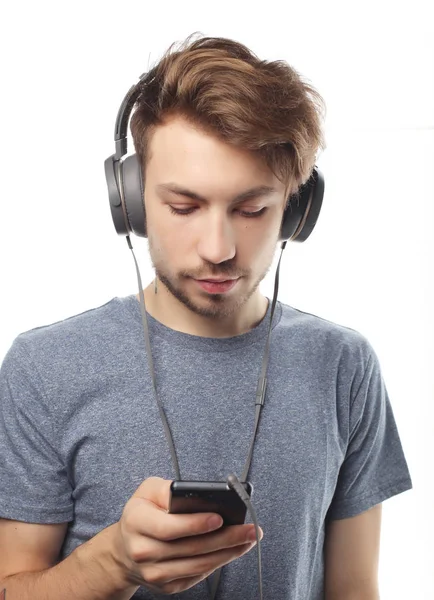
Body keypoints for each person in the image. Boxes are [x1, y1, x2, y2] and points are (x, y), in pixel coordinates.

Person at [0, 33, 412, 600]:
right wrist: (111, 565)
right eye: (184, 207)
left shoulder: (344, 365)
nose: (217, 248)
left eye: (251, 209)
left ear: (296, 209)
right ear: (132, 201)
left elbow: (355, 589)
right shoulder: (43, 367)